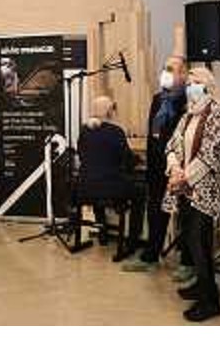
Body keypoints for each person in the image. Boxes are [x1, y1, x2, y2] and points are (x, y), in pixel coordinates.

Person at [164, 67, 220, 322]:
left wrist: (184, 176)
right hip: (186, 187)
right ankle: (203, 285)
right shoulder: (188, 114)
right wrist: (174, 167)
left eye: (196, 82)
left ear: (208, 85)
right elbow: (173, 144)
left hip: (207, 191)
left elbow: (215, 152)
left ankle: (210, 301)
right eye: (188, 83)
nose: (190, 87)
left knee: (200, 242)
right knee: (193, 241)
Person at [122, 55, 189, 273]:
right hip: (157, 168)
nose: (165, 73)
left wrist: (178, 167)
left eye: (170, 69)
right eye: (164, 68)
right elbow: (154, 135)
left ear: (183, 74)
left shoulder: (189, 99)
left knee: (186, 215)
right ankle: (151, 256)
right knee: (155, 212)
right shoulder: (158, 99)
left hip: (180, 168)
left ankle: (188, 262)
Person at [75, 96, 145, 257]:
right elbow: (127, 159)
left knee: (98, 184)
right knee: (140, 193)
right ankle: (132, 242)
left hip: (85, 187)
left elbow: (82, 155)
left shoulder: (84, 131)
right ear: (109, 112)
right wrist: (138, 160)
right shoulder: (115, 131)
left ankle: (103, 233)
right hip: (111, 188)